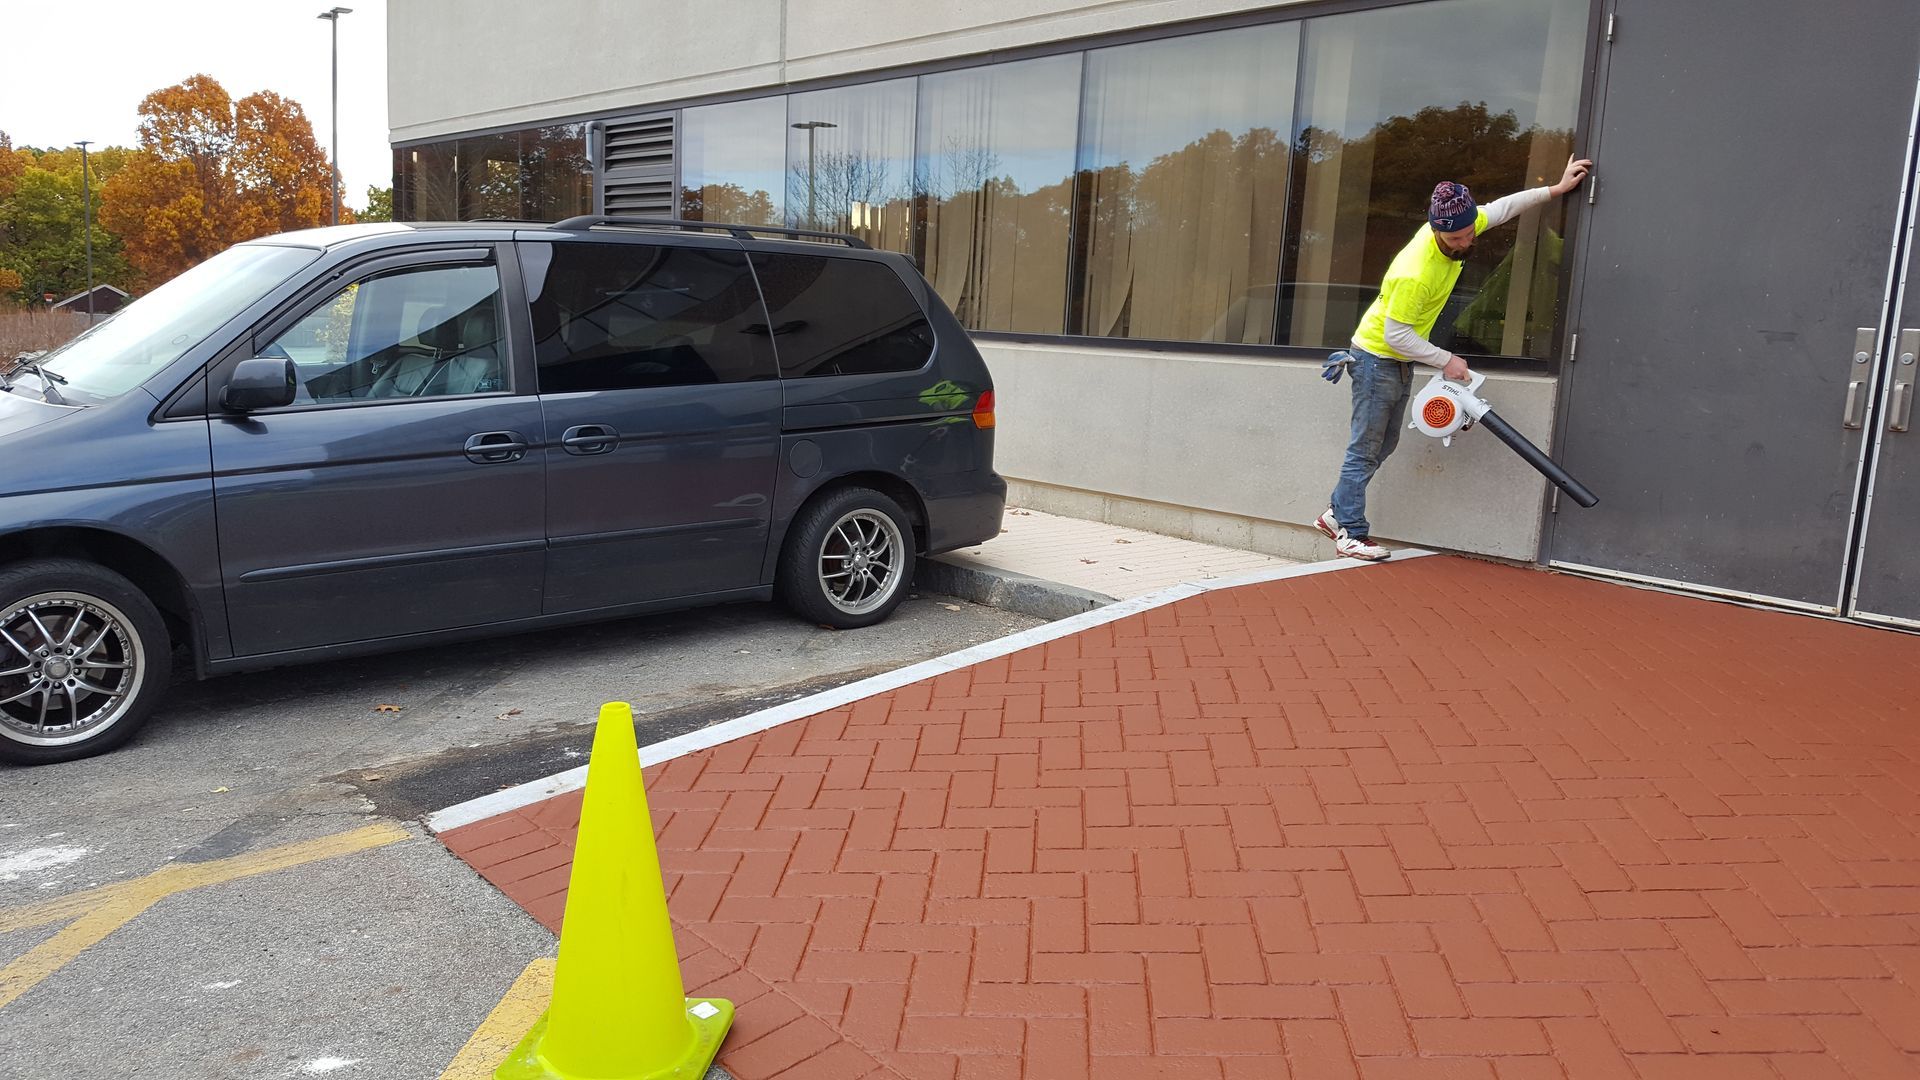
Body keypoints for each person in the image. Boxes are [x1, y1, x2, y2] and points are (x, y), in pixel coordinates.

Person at [1315, 155, 1593, 561]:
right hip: (1376, 357)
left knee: (1384, 444)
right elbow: (1397, 334)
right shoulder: (1416, 271)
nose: (1466, 243)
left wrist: (1556, 188)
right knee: (1365, 447)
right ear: (1437, 230)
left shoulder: (1462, 221)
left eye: (1468, 234)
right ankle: (1350, 533)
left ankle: (1336, 514)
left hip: (1396, 358)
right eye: (1457, 239)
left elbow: (1502, 208)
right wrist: (1445, 359)